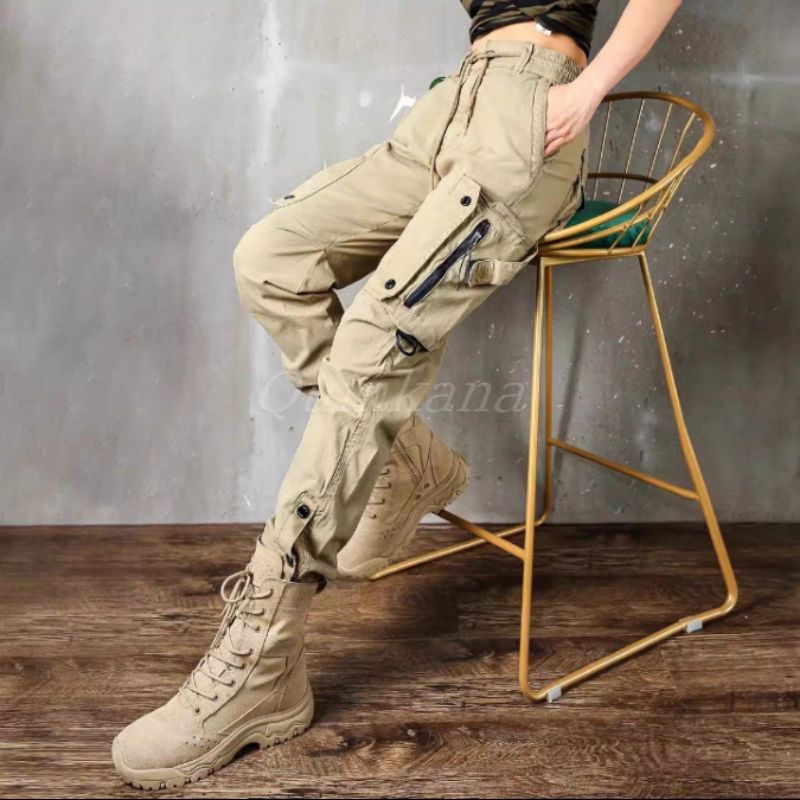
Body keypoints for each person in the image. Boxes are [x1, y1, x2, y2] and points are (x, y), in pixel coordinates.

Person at [112, 0, 684, 789]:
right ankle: (407, 460)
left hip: (531, 111)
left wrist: (589, 92)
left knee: (374, 339)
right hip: (451, 106)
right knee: (271, 259)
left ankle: (265, 655)